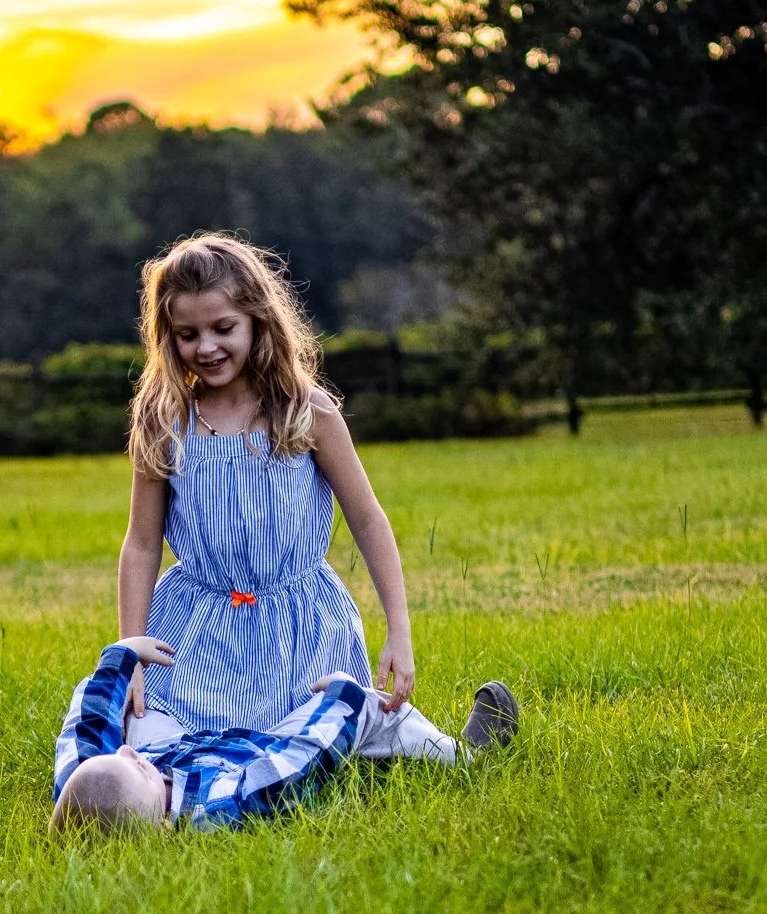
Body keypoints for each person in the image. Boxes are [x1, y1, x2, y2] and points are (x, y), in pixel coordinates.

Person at [117, 234, 430, 738]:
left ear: (258, 320)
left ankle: (454, 749)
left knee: (327, 727)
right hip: (196, 635)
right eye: (188, 334)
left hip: (301, 630)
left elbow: (367, 518)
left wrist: (399, 630)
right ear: (167, 338)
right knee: (143, 734)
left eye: (223, 328)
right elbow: (141, 543)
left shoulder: (308, 411)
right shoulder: (163, 421)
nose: (207, 347)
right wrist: (129, 649)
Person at [53, 636, 519, 832]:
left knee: (110, 716)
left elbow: (87, 736)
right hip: (258, 750)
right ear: (162, 826)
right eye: (141, 771)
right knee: (373, 711)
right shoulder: (225, 801)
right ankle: (466, 757)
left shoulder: (88, 791)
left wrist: (122, 655)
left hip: (182, 739)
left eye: (126, 759)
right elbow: (302, 760)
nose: (134, 756)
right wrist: (341, 699)